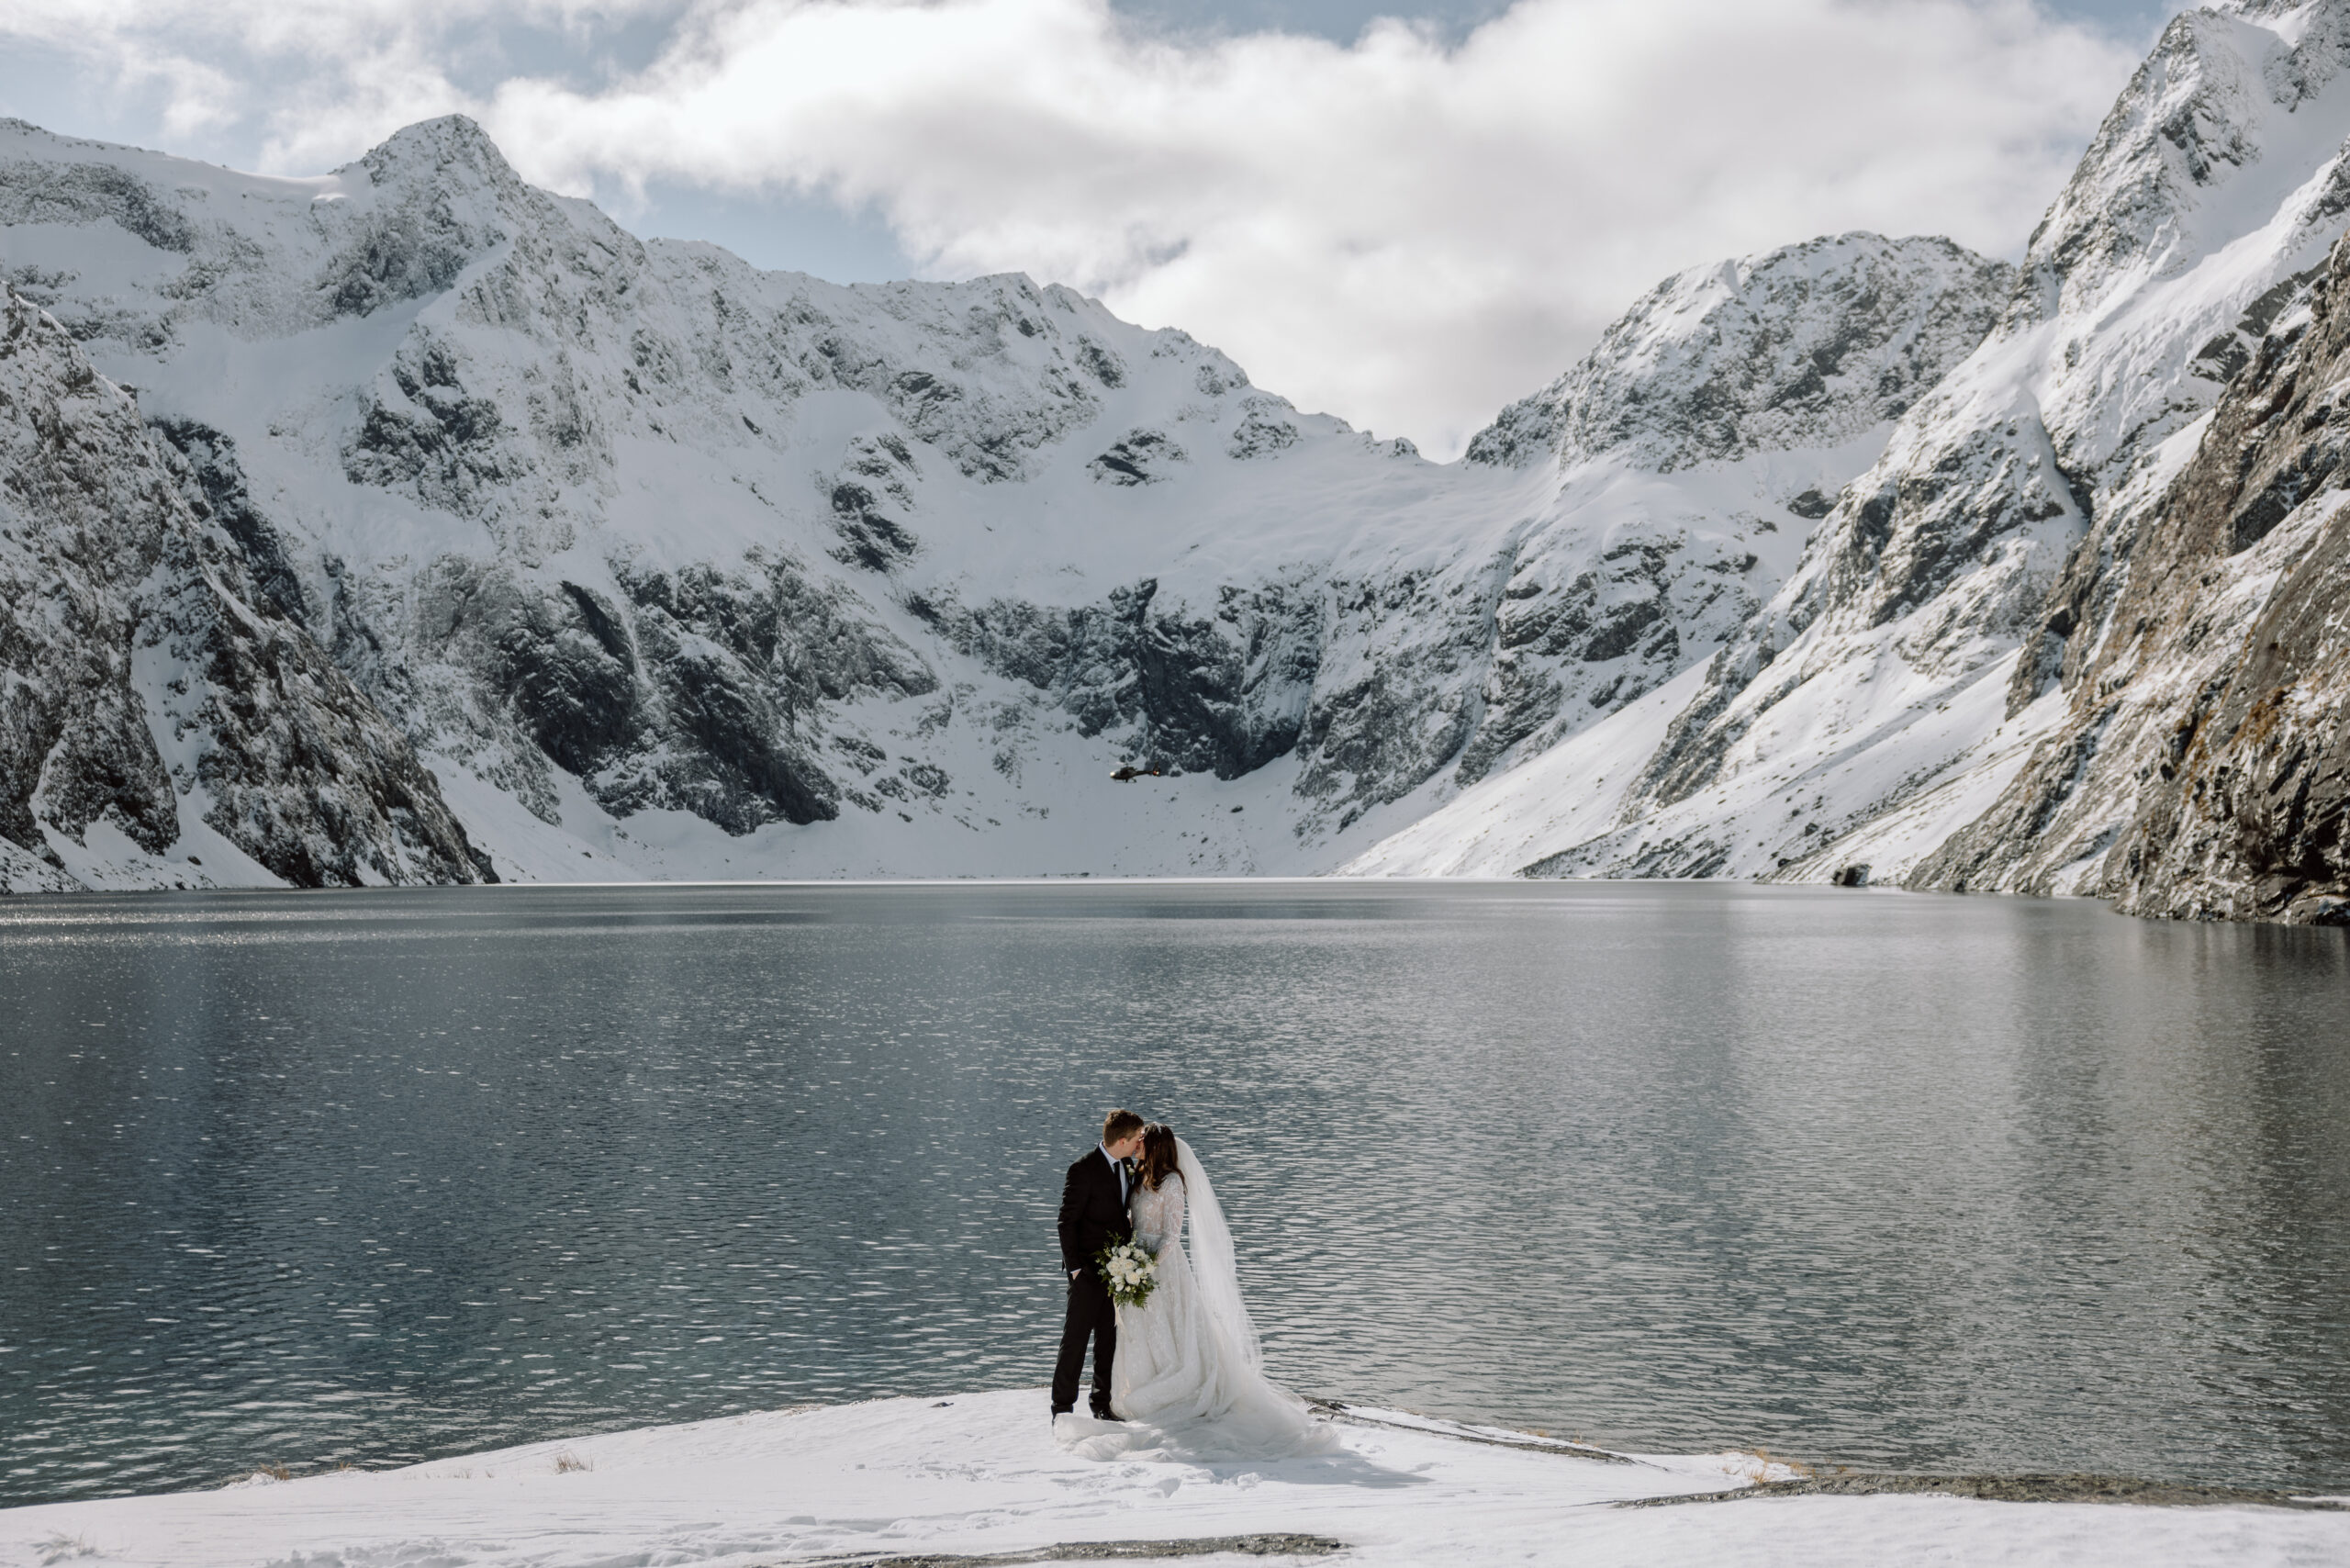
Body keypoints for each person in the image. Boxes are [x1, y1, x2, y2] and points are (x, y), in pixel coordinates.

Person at [1056, 1121, 1338, 1461]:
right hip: (1118, 1267)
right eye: (1136, 1140)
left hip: (1161, 1268)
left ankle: (1118, 1400)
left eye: (1143, 1141)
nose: (1138, 1145)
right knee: (1109, 1335)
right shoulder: (1132, 1172)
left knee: (1135, 1334)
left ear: (1155, 1146)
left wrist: (1142, 1268)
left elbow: (1171, 1237)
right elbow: (1084, 1220)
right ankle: (1070, 1405)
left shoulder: (1172, 1182)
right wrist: (1117, 1264)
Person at [1053, 1108, 1146, 1421]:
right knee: (1075, 1341)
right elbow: (1066, 1223)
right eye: (1136, 1139)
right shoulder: (1083, 1169)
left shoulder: (1128, 1166)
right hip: (1086, 1273)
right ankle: (1062, 1408)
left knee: (1108, 1340)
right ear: (1122, 1140)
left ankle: (1101, 1404)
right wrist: (1076, 1270)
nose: (1138, 1144)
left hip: (1117, 1272)